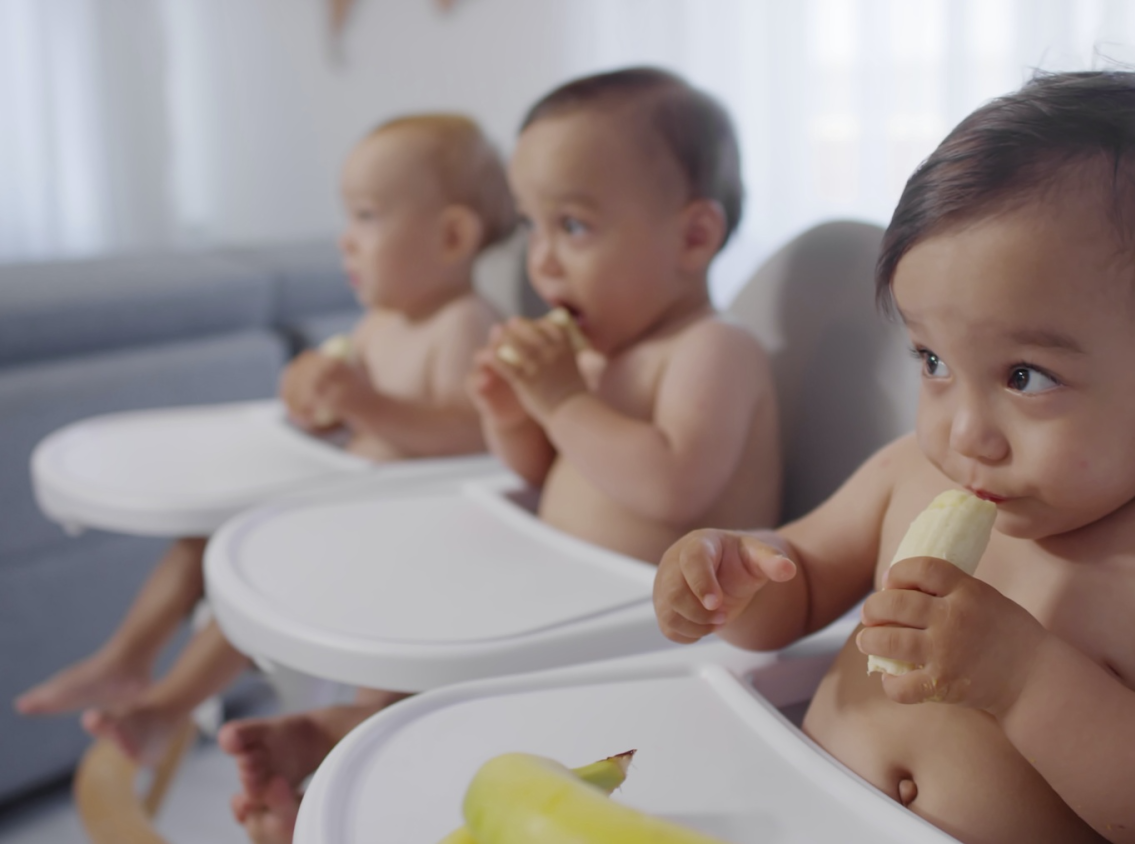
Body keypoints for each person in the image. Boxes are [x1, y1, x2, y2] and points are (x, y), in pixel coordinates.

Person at [654, 71, 1135, 844]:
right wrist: (733, 578)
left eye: (1025, 377)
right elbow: (796, 582)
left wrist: (1026, 680)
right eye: (933, 362)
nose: (964, 433)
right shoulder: (909, 472)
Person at [222, 67, 783, 843]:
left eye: (575, 227)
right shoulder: (591, 356)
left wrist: (559, 401)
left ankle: (358, 792)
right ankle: (348, 735)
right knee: (424, 607)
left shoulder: (711, 349)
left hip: (644, 639)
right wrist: (510, 414)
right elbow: (542, 472)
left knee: (485, 761)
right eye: (532, 227)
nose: (542, 262)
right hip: (558, 607)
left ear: (693, 237)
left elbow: (673, 485)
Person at [14, 113, 512, 767]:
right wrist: (314, 398)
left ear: (451, 236)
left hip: (407, 531)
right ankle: (127, 658)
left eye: (365, 216)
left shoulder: (464, 324)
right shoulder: (378, 322)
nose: (345, 241)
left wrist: (366, 401)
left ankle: (167, 707)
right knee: (209, 534)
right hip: (345, 502)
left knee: (257, 572)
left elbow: (474, 436)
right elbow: (340, 420)